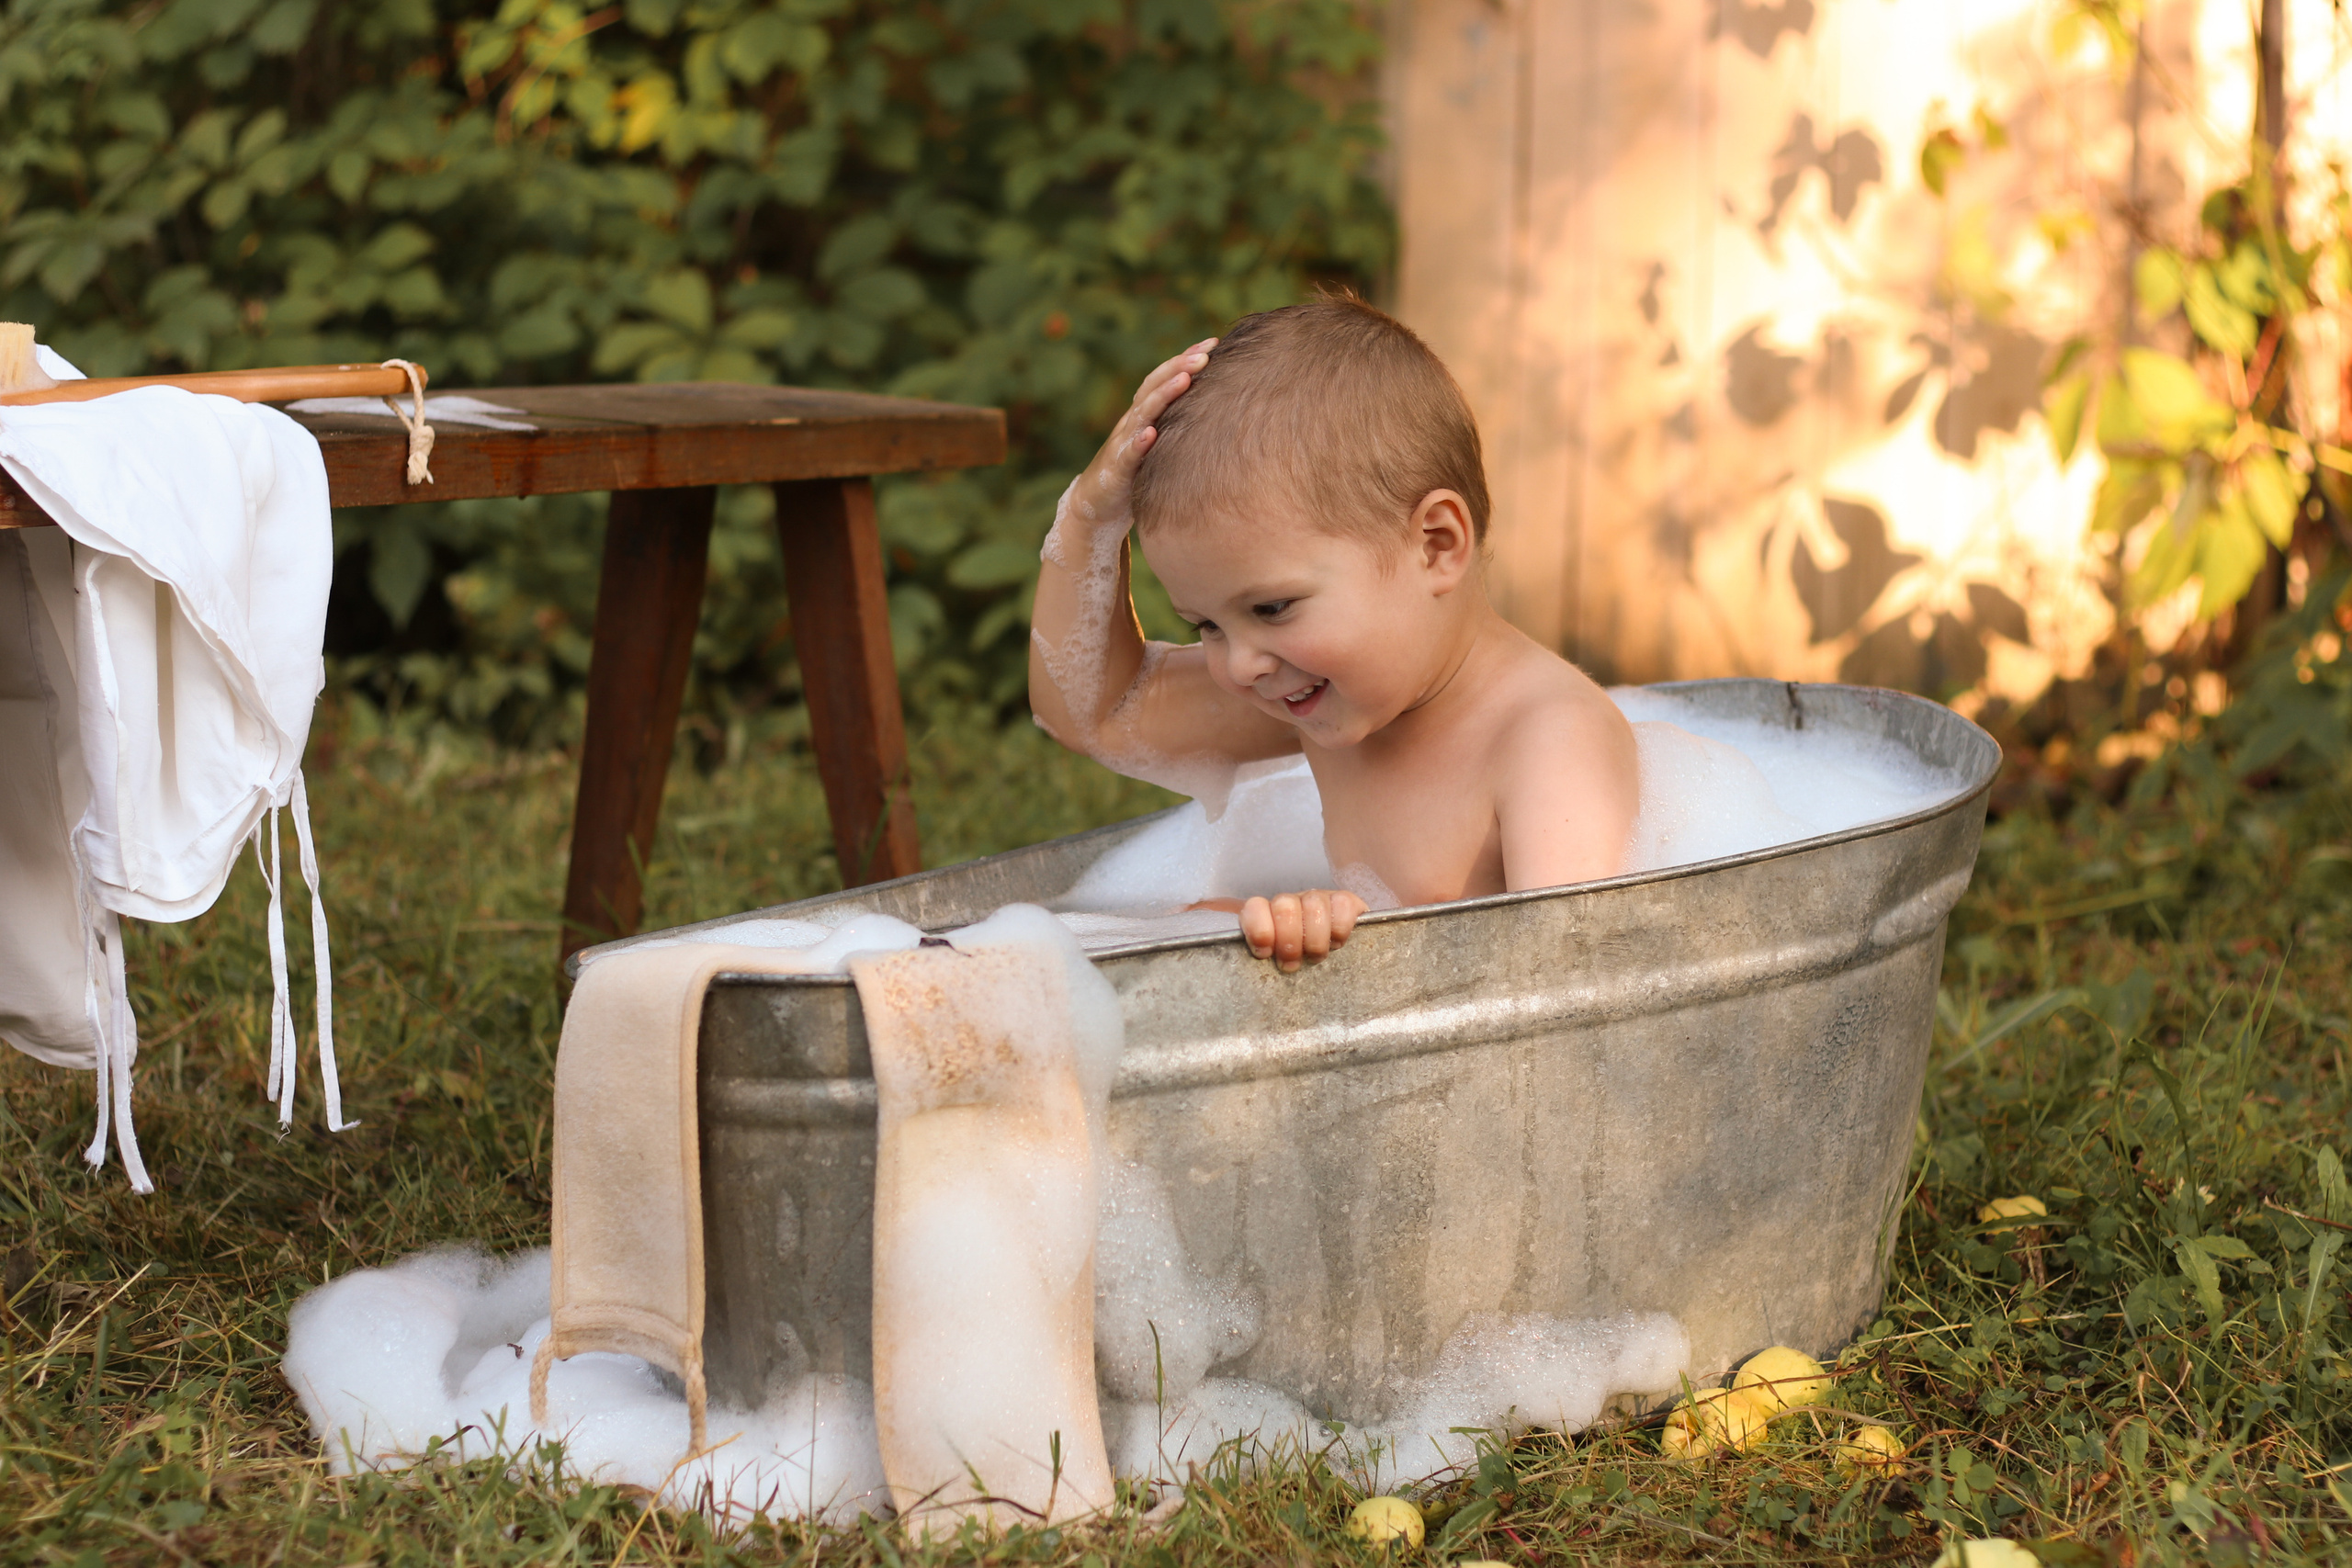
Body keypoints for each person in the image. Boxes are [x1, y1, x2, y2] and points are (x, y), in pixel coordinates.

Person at [1029, 296, 1638, 972]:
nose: (1241, 665)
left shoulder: (1548, 742)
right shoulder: (1328, 689)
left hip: (1495, 1029)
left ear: (1436, 545)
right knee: (1193, 923)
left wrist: (1356, 952)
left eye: (1272, 608)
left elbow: (1569, 981)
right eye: (1206, 625)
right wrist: (1089, 519)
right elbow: (1100, 713)